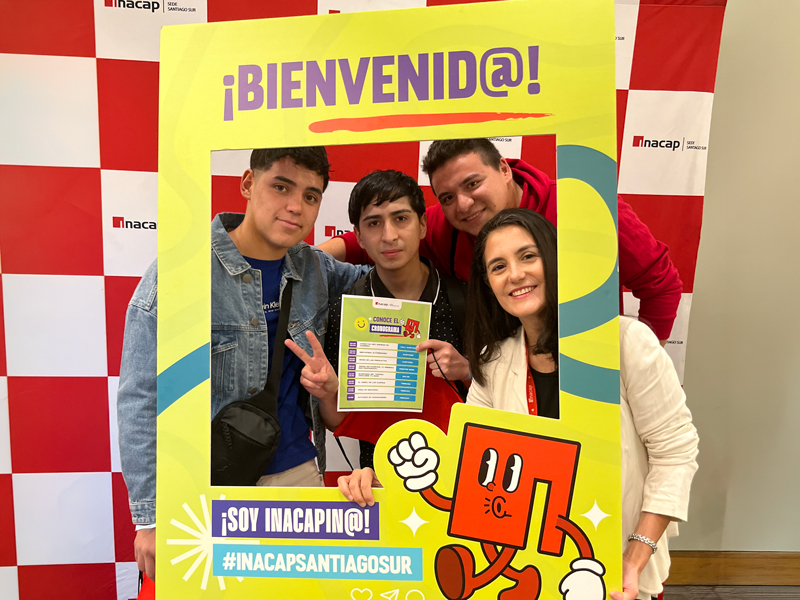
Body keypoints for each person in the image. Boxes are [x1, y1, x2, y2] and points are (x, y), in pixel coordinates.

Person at [340, 208, 698, 600]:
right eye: (498, 266)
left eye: (528, 256)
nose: (514, 275)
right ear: (488, 284)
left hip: (615, 569)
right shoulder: (493, 362)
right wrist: (386, 482)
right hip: (529, 569)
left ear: (553, 258)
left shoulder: (624, 342)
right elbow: (467, 468)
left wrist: (636, 555)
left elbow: (674, 453)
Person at [117, 147, 368, 581]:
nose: (296, 206)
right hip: (209, 488)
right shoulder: (183, 273)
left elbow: (388, 274)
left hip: (298, 479)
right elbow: (141, 397)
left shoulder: (315, 268)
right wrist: (151, 517)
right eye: (281, 186)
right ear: (249, 184)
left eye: (311, 196)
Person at [320, 138, 682, 342]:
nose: (463, 203)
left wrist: (635, 364)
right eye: (447, 196)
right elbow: (365, 240)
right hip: (503, 382)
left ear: (505, 170)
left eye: (473, 183)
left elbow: (661, 285)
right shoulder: (446, 226)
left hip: (584, 378)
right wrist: (301, 261)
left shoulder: (584, 208)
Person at [317, 169, 470, 471]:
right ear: (358, 236)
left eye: (401, 218)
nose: (389, 236)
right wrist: (325, 393)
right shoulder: (346, 310)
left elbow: (503, 404)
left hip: (460, 471)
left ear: (423, 224)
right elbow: (338, 420)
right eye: (374, 223)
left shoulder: (466, 299)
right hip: (378, 478)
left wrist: (466, 371)